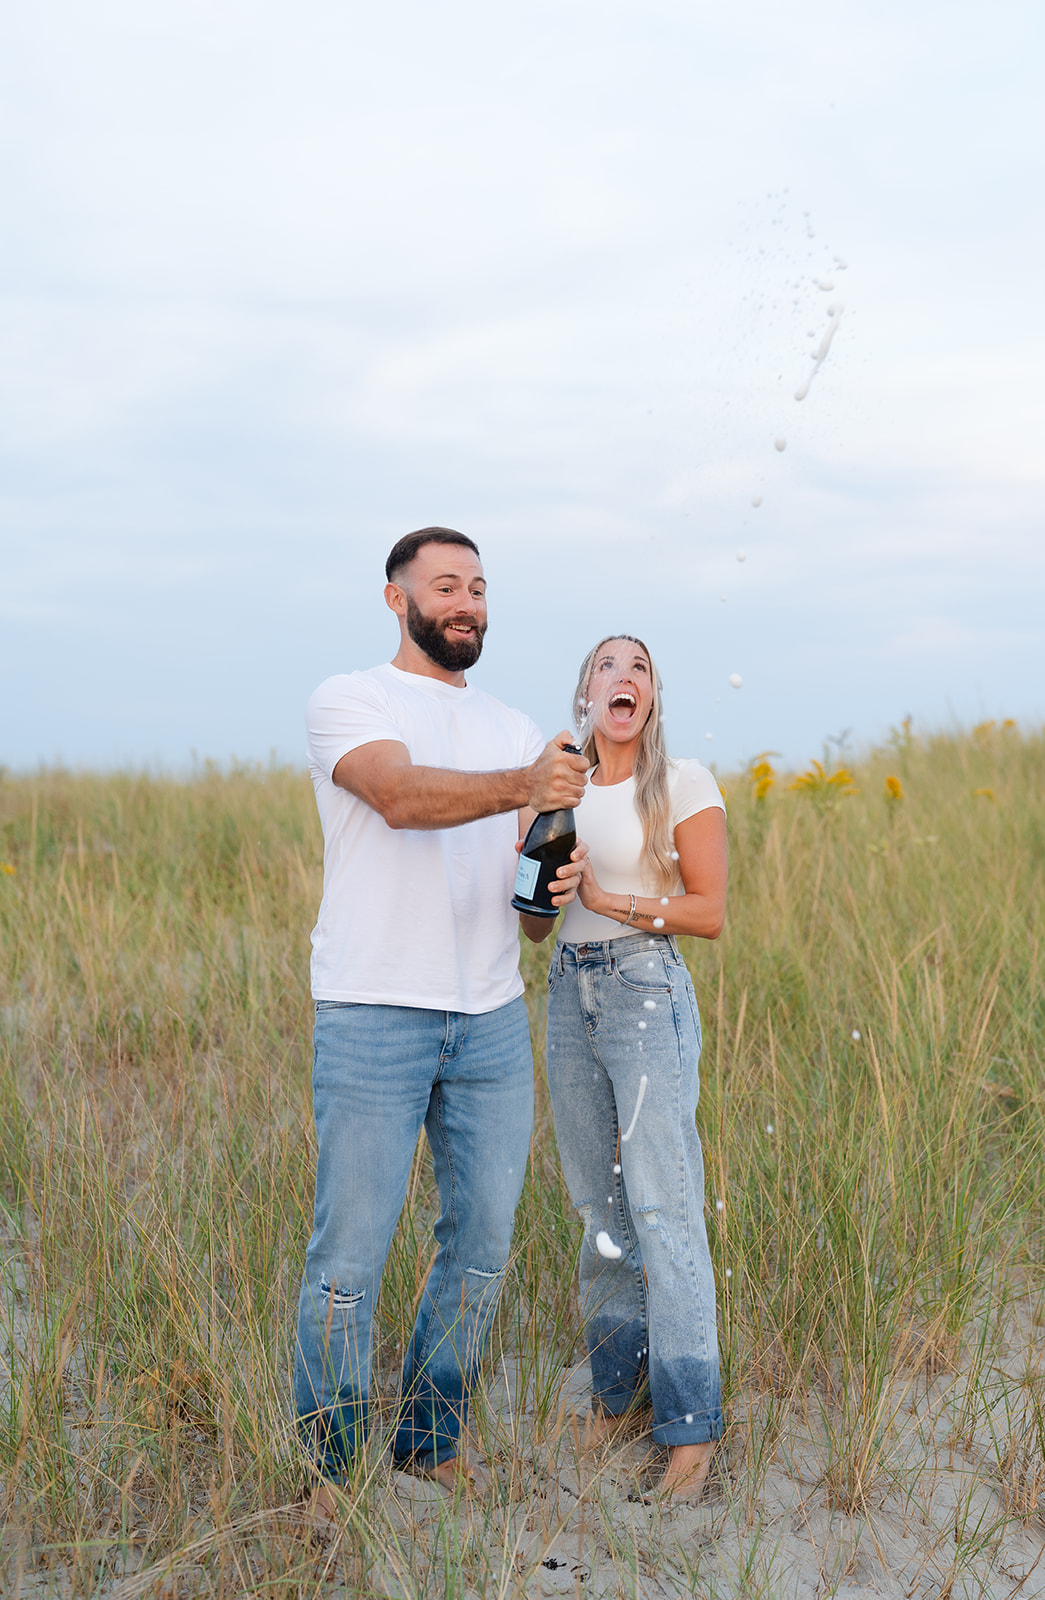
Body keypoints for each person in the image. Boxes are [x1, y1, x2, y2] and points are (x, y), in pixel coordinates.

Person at [294, 527, 588, 1515]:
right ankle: (329, 1464)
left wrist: (552, 881)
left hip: (491, 1019)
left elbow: (530, 913)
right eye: (444, 586)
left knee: (482, 1244)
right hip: (375, 1007)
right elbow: (397, 797)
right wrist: (525, 785)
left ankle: (428, 1440)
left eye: (477, 588)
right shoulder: (350, 700)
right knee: (350, 1255)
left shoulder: (514, 726)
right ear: (396, 599)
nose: (464, 603)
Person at [520, 634, 728, 1499]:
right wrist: (548, 885)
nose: (624, 677)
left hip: (645, 995)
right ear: (585, 693)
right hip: (569, 994)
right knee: (597, 1206)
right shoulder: (556, 787)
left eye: (638, 667)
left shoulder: (682, 782)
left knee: (661, 1204)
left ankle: (689, 1427)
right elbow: (535, 925)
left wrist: (610, 901)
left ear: (648, 697)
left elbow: (709, 912)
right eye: (608, 665)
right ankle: (614, 1398)